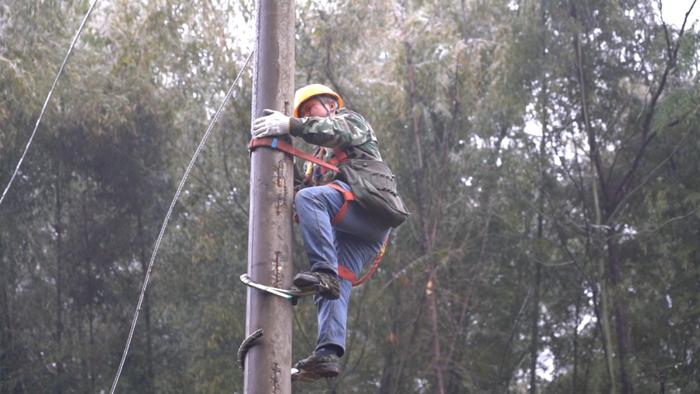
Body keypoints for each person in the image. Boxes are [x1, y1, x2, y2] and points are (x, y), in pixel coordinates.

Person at [251, 84, 394, 380]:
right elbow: (303, 196)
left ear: (330, 104)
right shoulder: (314, 164)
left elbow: (330, 132)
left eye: (309, 109)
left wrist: (290, 124)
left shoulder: (351, 122)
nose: (305, 115)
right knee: (334, 286)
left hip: (369, 211)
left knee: (312, 202)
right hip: (355, 228)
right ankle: (328, 353)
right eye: (301, 113)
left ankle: (325, 272)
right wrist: (269, 155)